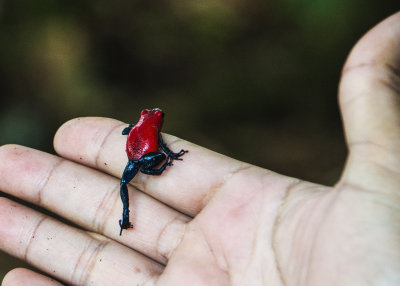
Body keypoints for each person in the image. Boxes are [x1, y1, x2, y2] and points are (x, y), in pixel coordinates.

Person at [1, 11, 399, 286]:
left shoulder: (139, 126)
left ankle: (126, 210)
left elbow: (131, 133)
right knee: (133, 183)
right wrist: (167, 157)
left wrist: (151, 150)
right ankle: (126, 211)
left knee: (126, 186)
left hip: (135, 157)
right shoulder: (151, 129)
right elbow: (142, 138)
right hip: (142, 156)